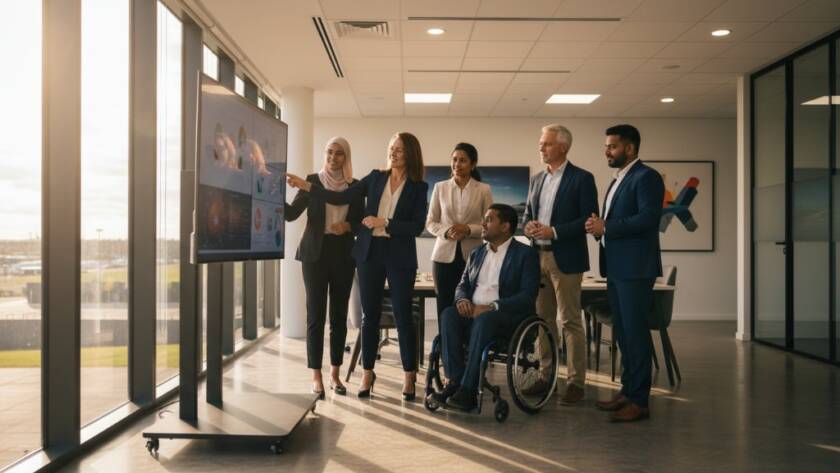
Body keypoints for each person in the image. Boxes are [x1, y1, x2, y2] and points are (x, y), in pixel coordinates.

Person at [286, 132, 428, 401]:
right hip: (369, 254)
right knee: (368, 317)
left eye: (399, 149)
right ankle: (367, 373)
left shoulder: (418, 187)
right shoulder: (375, 177)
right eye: (391, 148)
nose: (393, 153)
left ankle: (409, 375)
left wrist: (384, 222)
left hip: (399, 256)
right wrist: (307, 186)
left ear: (411, 153)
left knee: (403, 316)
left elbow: (417, 225)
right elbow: (339, 197)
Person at [585, 124, 664, 422]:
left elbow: (648, 218)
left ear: (630, 148)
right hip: (617, 267)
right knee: (624, 334)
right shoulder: (620, 178)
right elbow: (617, 222)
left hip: (635, 269)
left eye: (612, 146)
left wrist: (607, 226)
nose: (606, 151)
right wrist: (599, 228)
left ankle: (639, 401)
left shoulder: (646, 177)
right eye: (606, 146)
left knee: (635, 334)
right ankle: (628, 391)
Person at [435, 204, 540, 411]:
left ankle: (468, 390)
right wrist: (462, 300)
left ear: (505, 226)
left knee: (485, 319)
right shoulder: (477, 253)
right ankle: (454, 382)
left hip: (505, 318)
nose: (482, 224)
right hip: (473, 313)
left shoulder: (525, 254)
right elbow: (462, 285)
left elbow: (527, 297)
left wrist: (493, 306)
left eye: (489, 220)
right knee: (448, 314)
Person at [522, 124, 598, 405]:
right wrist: (528, 226)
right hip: (537, 256)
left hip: (565, 257)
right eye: (541, 143)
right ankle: (547, 377)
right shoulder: (536, 179)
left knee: (569, 321)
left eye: (547, 143)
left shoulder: (582, 178)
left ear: (563, 147)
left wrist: (553, 231)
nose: (541, 148)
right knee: (542, 320)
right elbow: (527, 214)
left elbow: (588, 219)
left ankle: (576, 383)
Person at [285, 137, 363, 398]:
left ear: (346, 157)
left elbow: (361, 221)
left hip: (343, 253)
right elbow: (291, 214)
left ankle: (335, 374)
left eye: (339, 153)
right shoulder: (312, 181)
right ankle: (316, 375)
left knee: (339, 317)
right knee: (316, 316)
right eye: (329, 152)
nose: (333, 157)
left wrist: (348, 226)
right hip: (314, 255)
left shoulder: (354, 186)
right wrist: (269, 196)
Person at [426, 142, 493, 325]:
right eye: (454, 159)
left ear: (473, 164)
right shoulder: (440, 187)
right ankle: (444, 342)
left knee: (470, 305)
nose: (457, 164)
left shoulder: (484, 189)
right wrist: (447, 231)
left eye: (463, 160)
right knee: (444, 305)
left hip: (474, 257)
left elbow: (490, 224)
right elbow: (430, 222)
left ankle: (468, 342)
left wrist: (468, 229)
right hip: (442, 258)